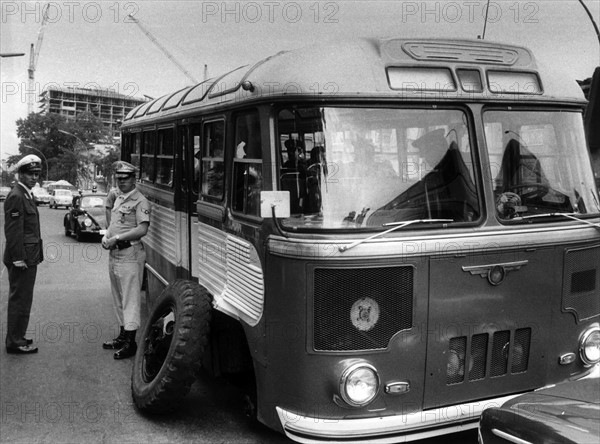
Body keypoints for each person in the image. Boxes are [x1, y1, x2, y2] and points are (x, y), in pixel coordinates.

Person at [101, 161, 151, 359]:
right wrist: (107, 236)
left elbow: (142, 229)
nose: (122, 182)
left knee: (130, 299)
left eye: (126, 178)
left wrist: (117, 239)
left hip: (130, 253)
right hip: (115, 254)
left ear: (134, 179)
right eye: (119, 179)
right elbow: (113, 222)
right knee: (118, 298)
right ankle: (122, 336)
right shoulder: (119, 198)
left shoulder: (140, 201)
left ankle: (131, 343)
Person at [3, 155, 44, 354]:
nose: (34, 177)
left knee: (24, 299)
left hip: (29, 256)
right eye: (30, 174)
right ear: (21, 174)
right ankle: (15, 341)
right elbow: (13, 231)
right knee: (20, 299)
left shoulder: (26, 194)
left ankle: (18, 335)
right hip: (22, 259)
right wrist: (18, 257)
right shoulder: (17, 195)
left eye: (37, 174)